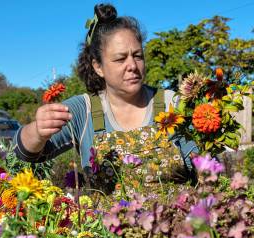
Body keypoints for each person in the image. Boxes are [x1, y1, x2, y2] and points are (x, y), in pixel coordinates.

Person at [13, 3, 197, 199]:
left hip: (179, 224)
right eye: (120, 59)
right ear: (98, 66)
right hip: (106, 229)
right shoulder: (83, 110)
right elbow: (24, 152)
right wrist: (38, 130)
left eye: (138, 56)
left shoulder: (172, 104)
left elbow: (204, 169)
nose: (132, 66)